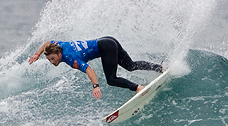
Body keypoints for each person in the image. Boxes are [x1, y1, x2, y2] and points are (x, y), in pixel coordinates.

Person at [28, 36, 163, 99]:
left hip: (105, 47)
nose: (52, 62)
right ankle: (160, 68)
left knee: (111, 79)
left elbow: (89, 70)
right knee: (130, 65)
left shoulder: (70, 58)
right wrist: (37, 54)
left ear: (59, 54)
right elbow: (48, 42)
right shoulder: (58, 45)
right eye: (49, 60)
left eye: (53, 58)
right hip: (109, 40)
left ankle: (138, 88)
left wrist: (95, 86)